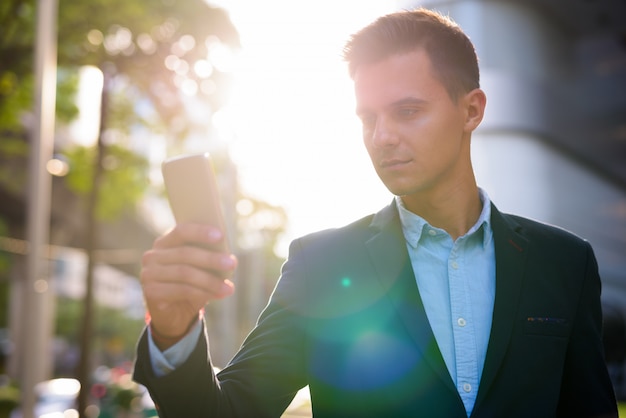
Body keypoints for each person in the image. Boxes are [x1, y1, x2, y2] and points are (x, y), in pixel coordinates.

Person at [133, 8, 618, 418]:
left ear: (472, 111)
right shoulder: (322, 264)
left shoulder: (565, 262)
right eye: (368, 118)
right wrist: (174, 331)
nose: (381, 136)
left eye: (407, 112)